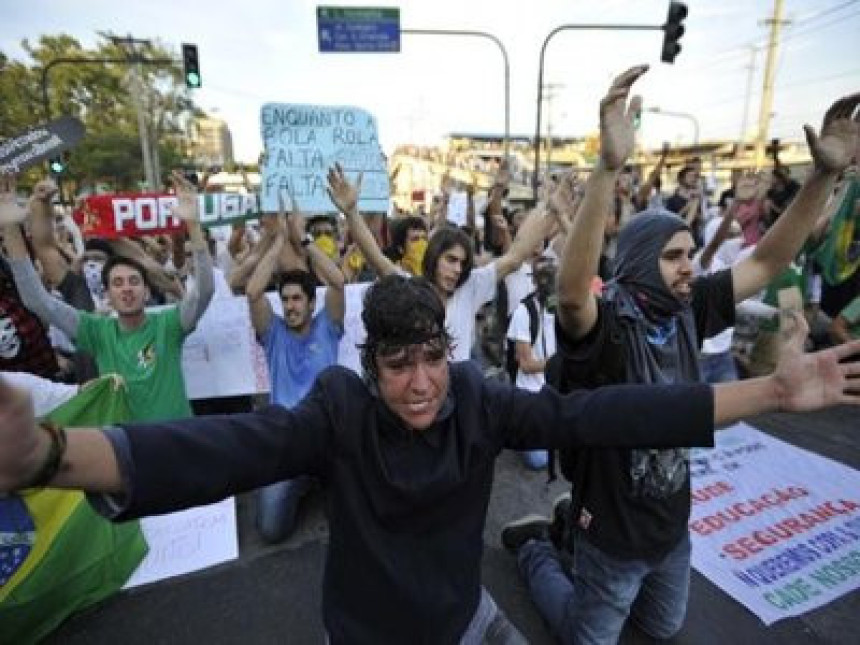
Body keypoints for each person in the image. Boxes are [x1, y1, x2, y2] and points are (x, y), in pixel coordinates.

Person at [1, 273, 859, 644]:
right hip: (369, 629)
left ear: (448, 352)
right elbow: (228, 447)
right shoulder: (337, 410)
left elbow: (601, 411)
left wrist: (774, 395)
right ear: (370, 367)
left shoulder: (476, 397)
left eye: (430, 359)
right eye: (397, 364)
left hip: (464, 614)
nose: (419, 386)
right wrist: (48, 452)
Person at [503, 66, 860, 644]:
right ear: (642, 261)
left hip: (670, 528)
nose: (690, 266)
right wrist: (608, 169)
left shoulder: (691, 307)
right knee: (584, 636)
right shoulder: (610, 324)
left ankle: (566, 526)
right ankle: (540, 549)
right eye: (674, 256)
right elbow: (572, 297)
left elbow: (766, 262)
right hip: (611, 532)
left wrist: (822, 175)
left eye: (692, 254)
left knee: (664, 627)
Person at [2, 171, 215, 422]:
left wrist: (193, 225)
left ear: (146, 292)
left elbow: (204, 292)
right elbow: (38, 301)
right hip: (126, 447)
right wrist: (10, 229)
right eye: (117, 283)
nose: (126, 288)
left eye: (134, 281)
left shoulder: (169, 324)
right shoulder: (97, 331)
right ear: (108, 295)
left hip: (177, 441)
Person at [326, 163, 555, 362]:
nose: (457, 269)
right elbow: (376, 258)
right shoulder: (411, 288)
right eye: (451, 260)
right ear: (434, 257)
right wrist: (351, 212)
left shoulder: (471, 286)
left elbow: (515, 258)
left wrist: (549, 208)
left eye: (462, 263)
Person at [245, 207, 345, 543]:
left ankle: (321, 481)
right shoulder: (272, 332)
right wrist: (278, 240)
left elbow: (338, 280)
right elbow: (252, 293)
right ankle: (299, 483)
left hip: (330, 438)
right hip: (287, 440)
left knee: (352, 521)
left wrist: (302, 238)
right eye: (285, 299)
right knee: (272, 530)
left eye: (297, 299)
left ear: (312, 303)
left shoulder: (328, 326)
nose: (290, 306)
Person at [505, 256, 558, 470]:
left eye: (552, 278)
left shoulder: (562, 308)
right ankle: (518, 427)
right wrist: (560, 362)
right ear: (534, 281)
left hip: (556, 389)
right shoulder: (523, 312)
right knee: (539, 461)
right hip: (531, 394)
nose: (549, 284)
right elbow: (526, 364)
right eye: (544, 278)